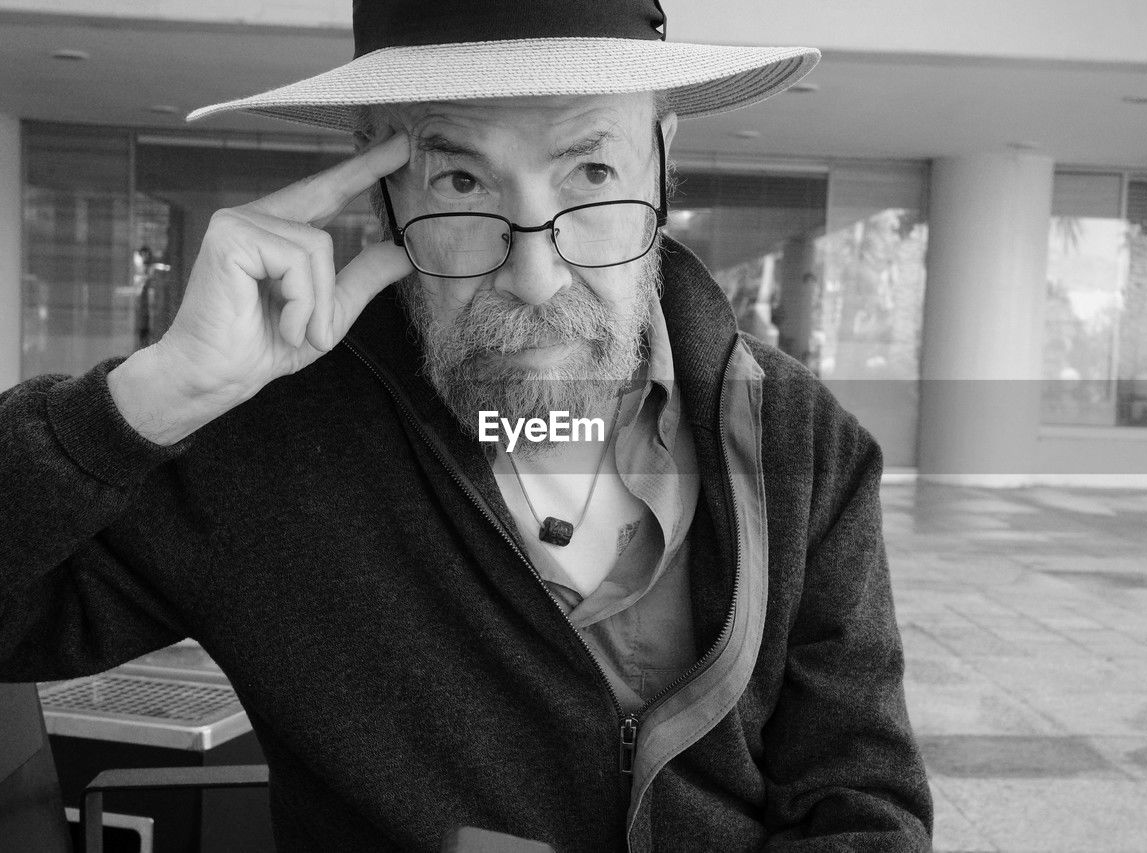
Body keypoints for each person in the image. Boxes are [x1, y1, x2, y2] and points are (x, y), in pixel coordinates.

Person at [0, 1, 933, 850]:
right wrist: (152, 397)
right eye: (458, 180)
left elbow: (861, 804)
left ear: (663, 156)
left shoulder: (801, 439)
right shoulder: (259, 438)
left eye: (592, 169)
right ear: (383, 194)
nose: (534, 273)